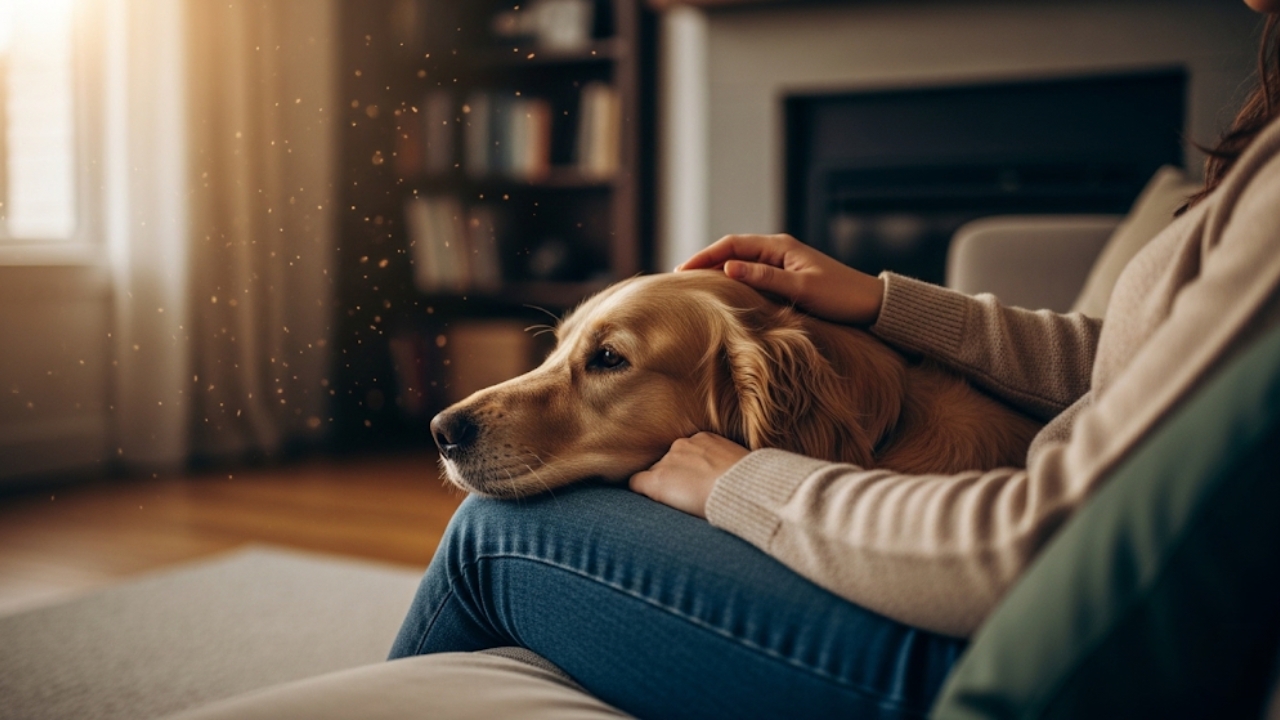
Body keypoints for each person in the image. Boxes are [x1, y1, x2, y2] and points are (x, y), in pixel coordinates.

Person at [389, 3, 1280, 717]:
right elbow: (1135, 362)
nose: (480, 407)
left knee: (496, 535)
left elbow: (1041, 546)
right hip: (1032, 610)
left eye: (607, 360)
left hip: (1023, 657)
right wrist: (887, 303)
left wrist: (742, 483)